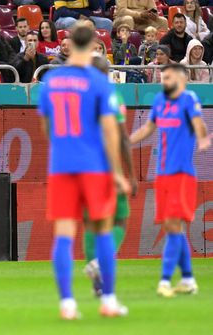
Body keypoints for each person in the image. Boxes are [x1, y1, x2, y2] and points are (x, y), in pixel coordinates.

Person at [38, 24, 130, 320]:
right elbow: (110, 130)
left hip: (61, 165)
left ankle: (66, 303)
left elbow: (46, 127)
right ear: (92, 44)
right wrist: (116, 171)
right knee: (103, 229)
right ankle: (109, 301)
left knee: (64, 234)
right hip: (94, 166)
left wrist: (63, 149)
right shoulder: (99, 81)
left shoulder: (50, 80)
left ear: (68, 45)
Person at [130, 63, 211, 298]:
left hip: (181, 174)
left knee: (174, 225)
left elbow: (198, 124)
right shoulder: (159, 102)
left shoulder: (188, 99)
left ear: (181, 79)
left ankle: (165, 280)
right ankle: (187, 279)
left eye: (168, 77)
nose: (164, 81)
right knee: (172, 227)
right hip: (162, 174)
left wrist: (203, 139)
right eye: (162, 78)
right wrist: (128, 141)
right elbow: (148, 127)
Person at [83, 54, 138, 297]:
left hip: (82, 168)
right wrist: (132, 175)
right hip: (107, 167)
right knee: (119, 220)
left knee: (90, 223)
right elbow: (123, 138)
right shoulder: (111, 97)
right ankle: (99, 263)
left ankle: (97, 281)